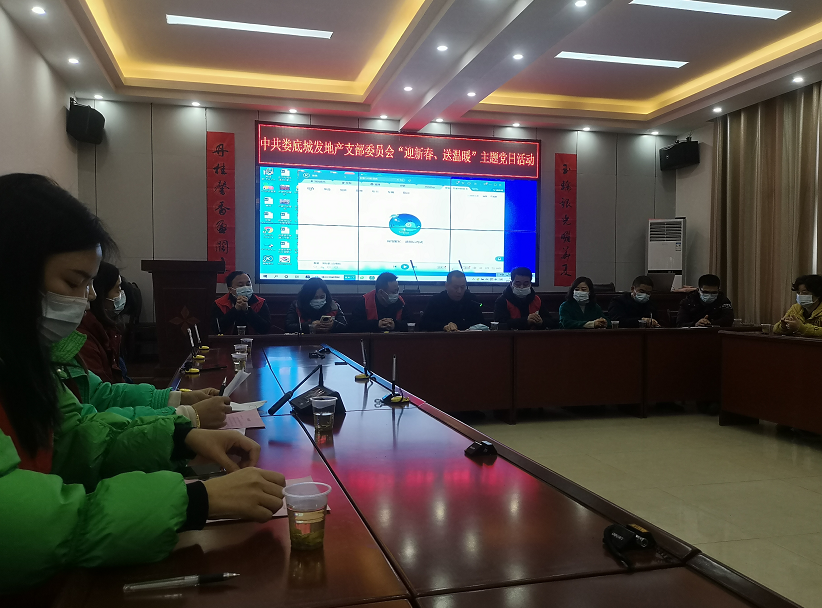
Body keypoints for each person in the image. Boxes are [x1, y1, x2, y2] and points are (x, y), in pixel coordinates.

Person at [0, 174, 286, 596]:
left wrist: (179, 436)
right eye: (73, 283)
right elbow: (24, 525)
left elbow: (79, 439)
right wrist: (195, 501)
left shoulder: (26, 360)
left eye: (90, 284)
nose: (86, 299)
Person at [77, 261, 132, 383]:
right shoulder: (84, 336)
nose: (92, 295)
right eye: (118, 289)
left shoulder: (107, 328)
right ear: (102, 292)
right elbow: (104, 388)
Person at [419, 270, 484, 332]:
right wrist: (444, 327)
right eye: (456, 287)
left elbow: (481, 323)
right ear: (447, 286)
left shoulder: (471, 299)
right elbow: (424, 324)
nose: (459, 291)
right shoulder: (436, 300)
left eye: (462, 287)